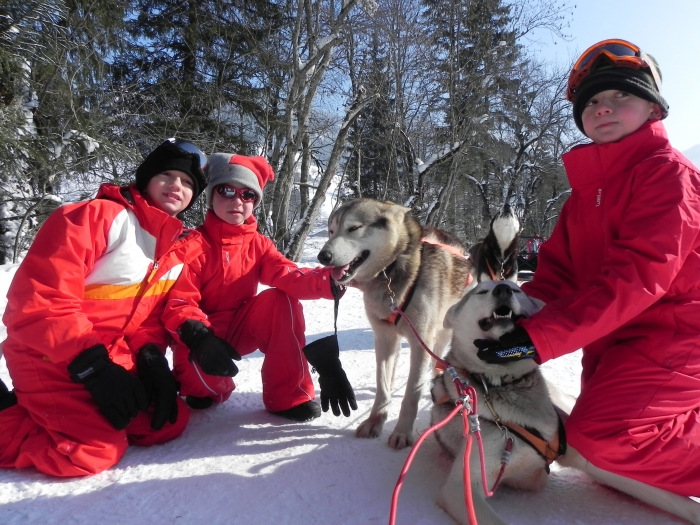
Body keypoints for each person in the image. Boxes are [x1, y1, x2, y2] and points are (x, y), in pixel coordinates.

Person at [474, 39, 700, 522]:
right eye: (593, 101)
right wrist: (503, 321)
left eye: (621, 96)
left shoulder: (668, 177)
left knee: (607, 439)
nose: (604, 108)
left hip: (678, 337)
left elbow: (639, 276)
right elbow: (557, 276)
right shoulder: (586, 196)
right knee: (592, 442)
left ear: (653, 109)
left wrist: (533, 340)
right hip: (618, 341)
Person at [0, 138, 208, 477]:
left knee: (165, 422)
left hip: (106, 353)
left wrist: (151, 358)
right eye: (168, 174)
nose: (176, 186)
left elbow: (147, 318)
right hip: (49, 354)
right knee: (91, 452)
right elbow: (39, 304)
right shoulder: (93, 218)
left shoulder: (174, 248)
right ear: (146, 177)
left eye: (188, 183)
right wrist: (94, 368)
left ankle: (49, 411)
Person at [162, 153, 356, 422]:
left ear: (254, 202)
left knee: (280, 300)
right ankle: (214, 386)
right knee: (202, 390)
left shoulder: (259, 244)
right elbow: (179, 301)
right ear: (211, 195)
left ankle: (289, 395)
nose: (237, 200)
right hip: (203, 336)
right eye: (227, 190)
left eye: (247, 194)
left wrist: (329, 279)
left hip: (242, 325)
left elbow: (288, 273)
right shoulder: (191, 246)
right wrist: (199, 338)